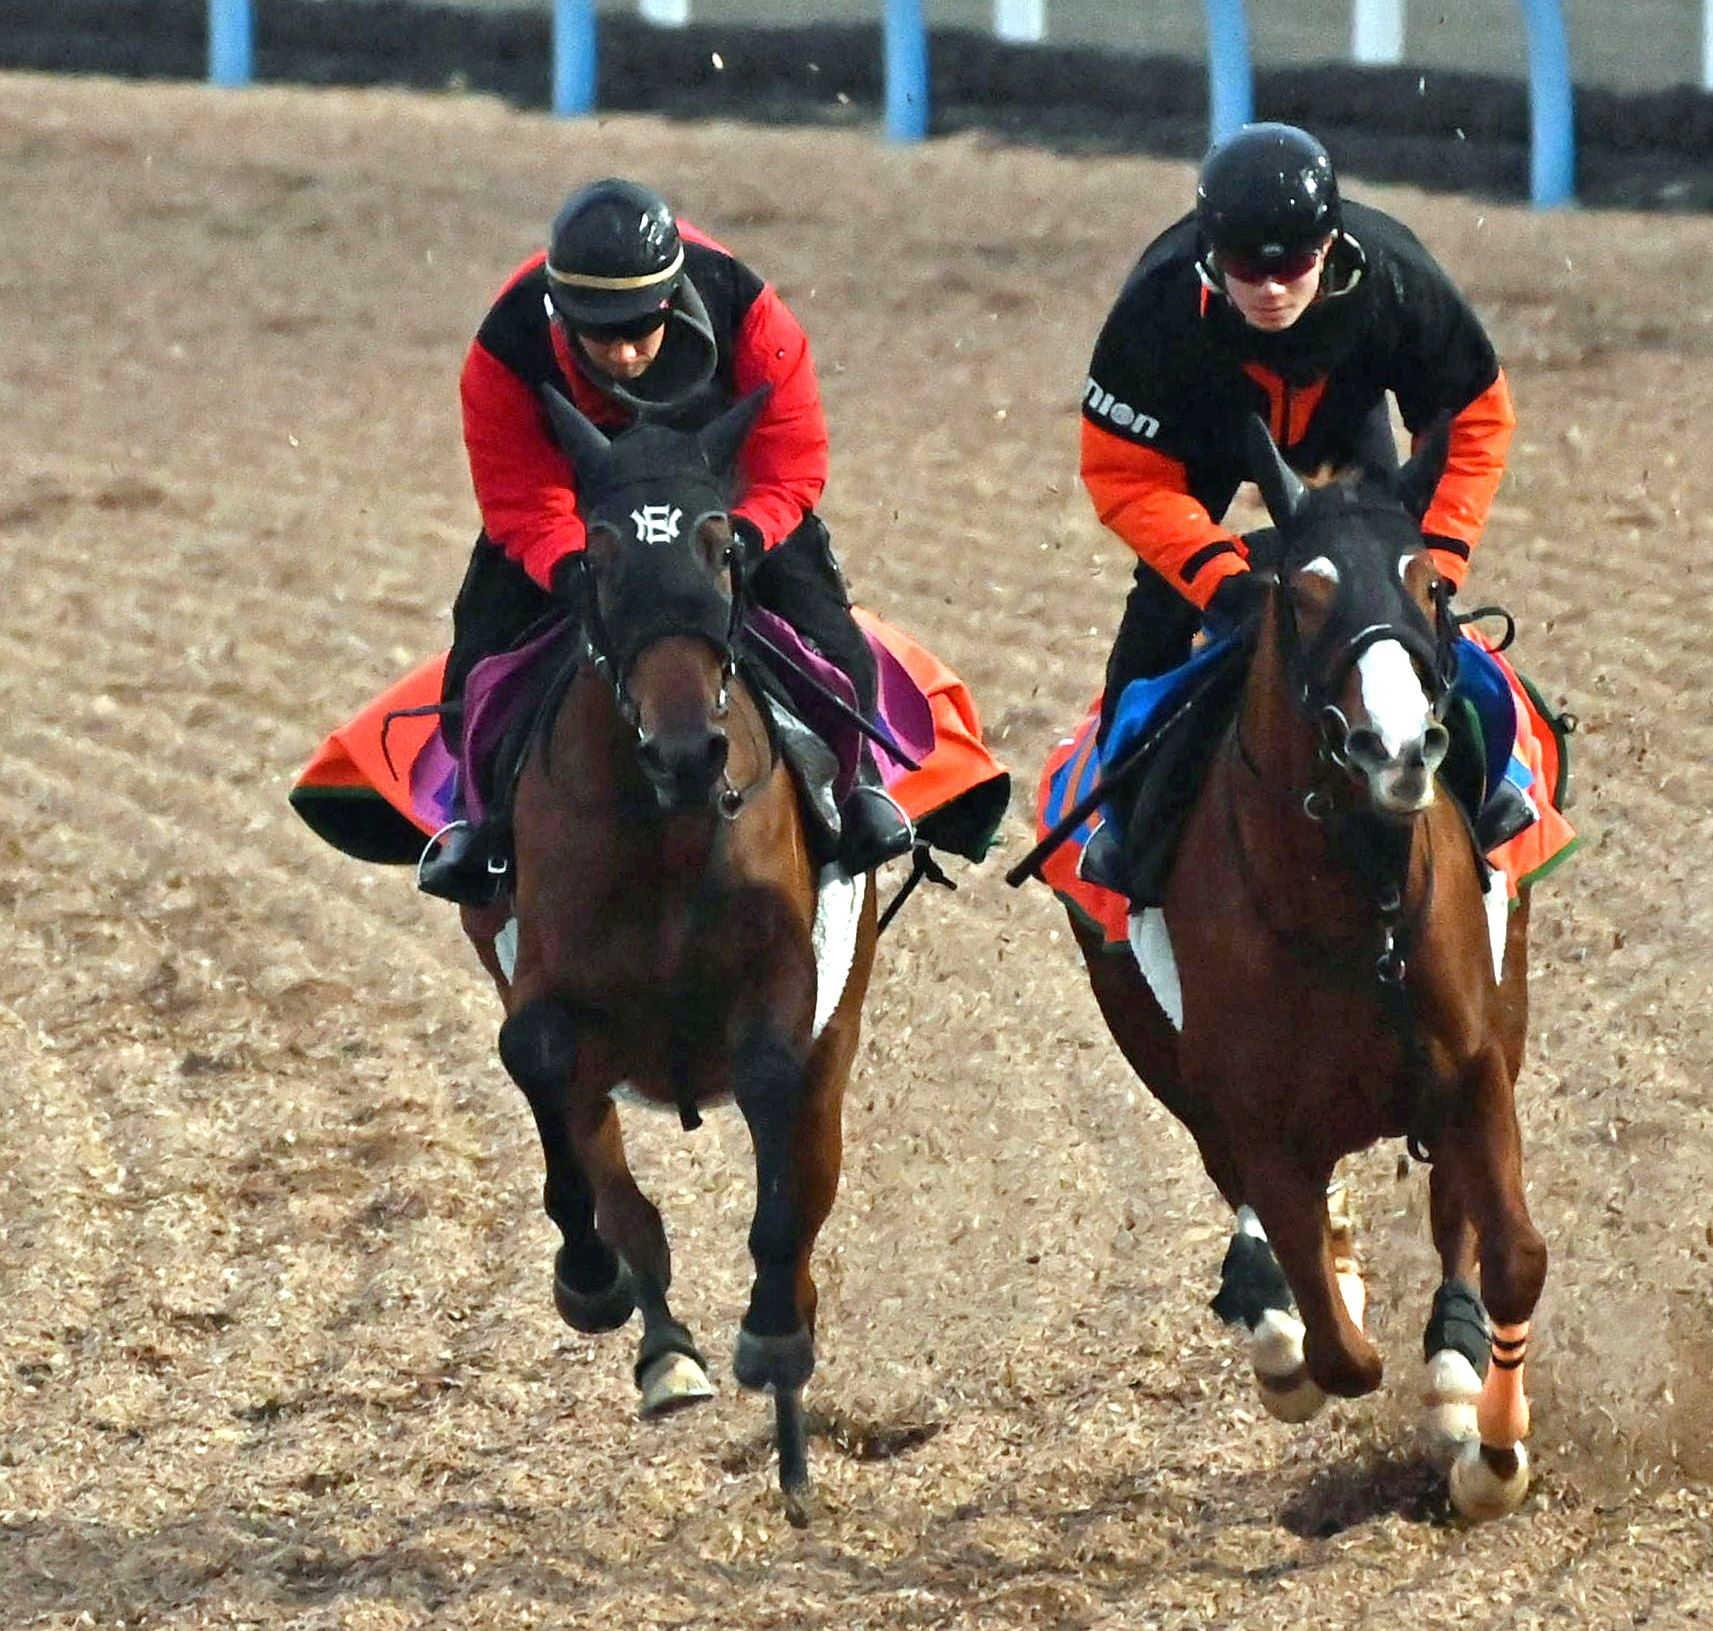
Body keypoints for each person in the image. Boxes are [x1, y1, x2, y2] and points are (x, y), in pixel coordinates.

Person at [418, 177, 914, 903]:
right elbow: (520, 494)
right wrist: (570, 563)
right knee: (478, 654)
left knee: (832, 638)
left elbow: (790, 460)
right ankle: (476, 831)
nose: (621, 355)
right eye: (599, 333)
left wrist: (746, 536)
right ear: (561, 311)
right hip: (587, 510)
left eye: (638, 330)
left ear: (673, 298)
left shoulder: (749, 310)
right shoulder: (504, 344)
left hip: (722, 502)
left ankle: (858, 792)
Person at [1078, 122, 1517, 892]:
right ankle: (1127, 828)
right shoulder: (1157, 308)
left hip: (1346, 419)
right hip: (1202, 435)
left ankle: (1487, 790)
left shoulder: (1396, 280)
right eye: (1248, 267)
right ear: (1211, 252)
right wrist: (1220, 578)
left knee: (1413, 613)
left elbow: (1474, 421)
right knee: (1152, 627)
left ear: (1331, 243)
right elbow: (1125, 475)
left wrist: (1435, 561)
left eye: (1295, 265)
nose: (1272, 288)